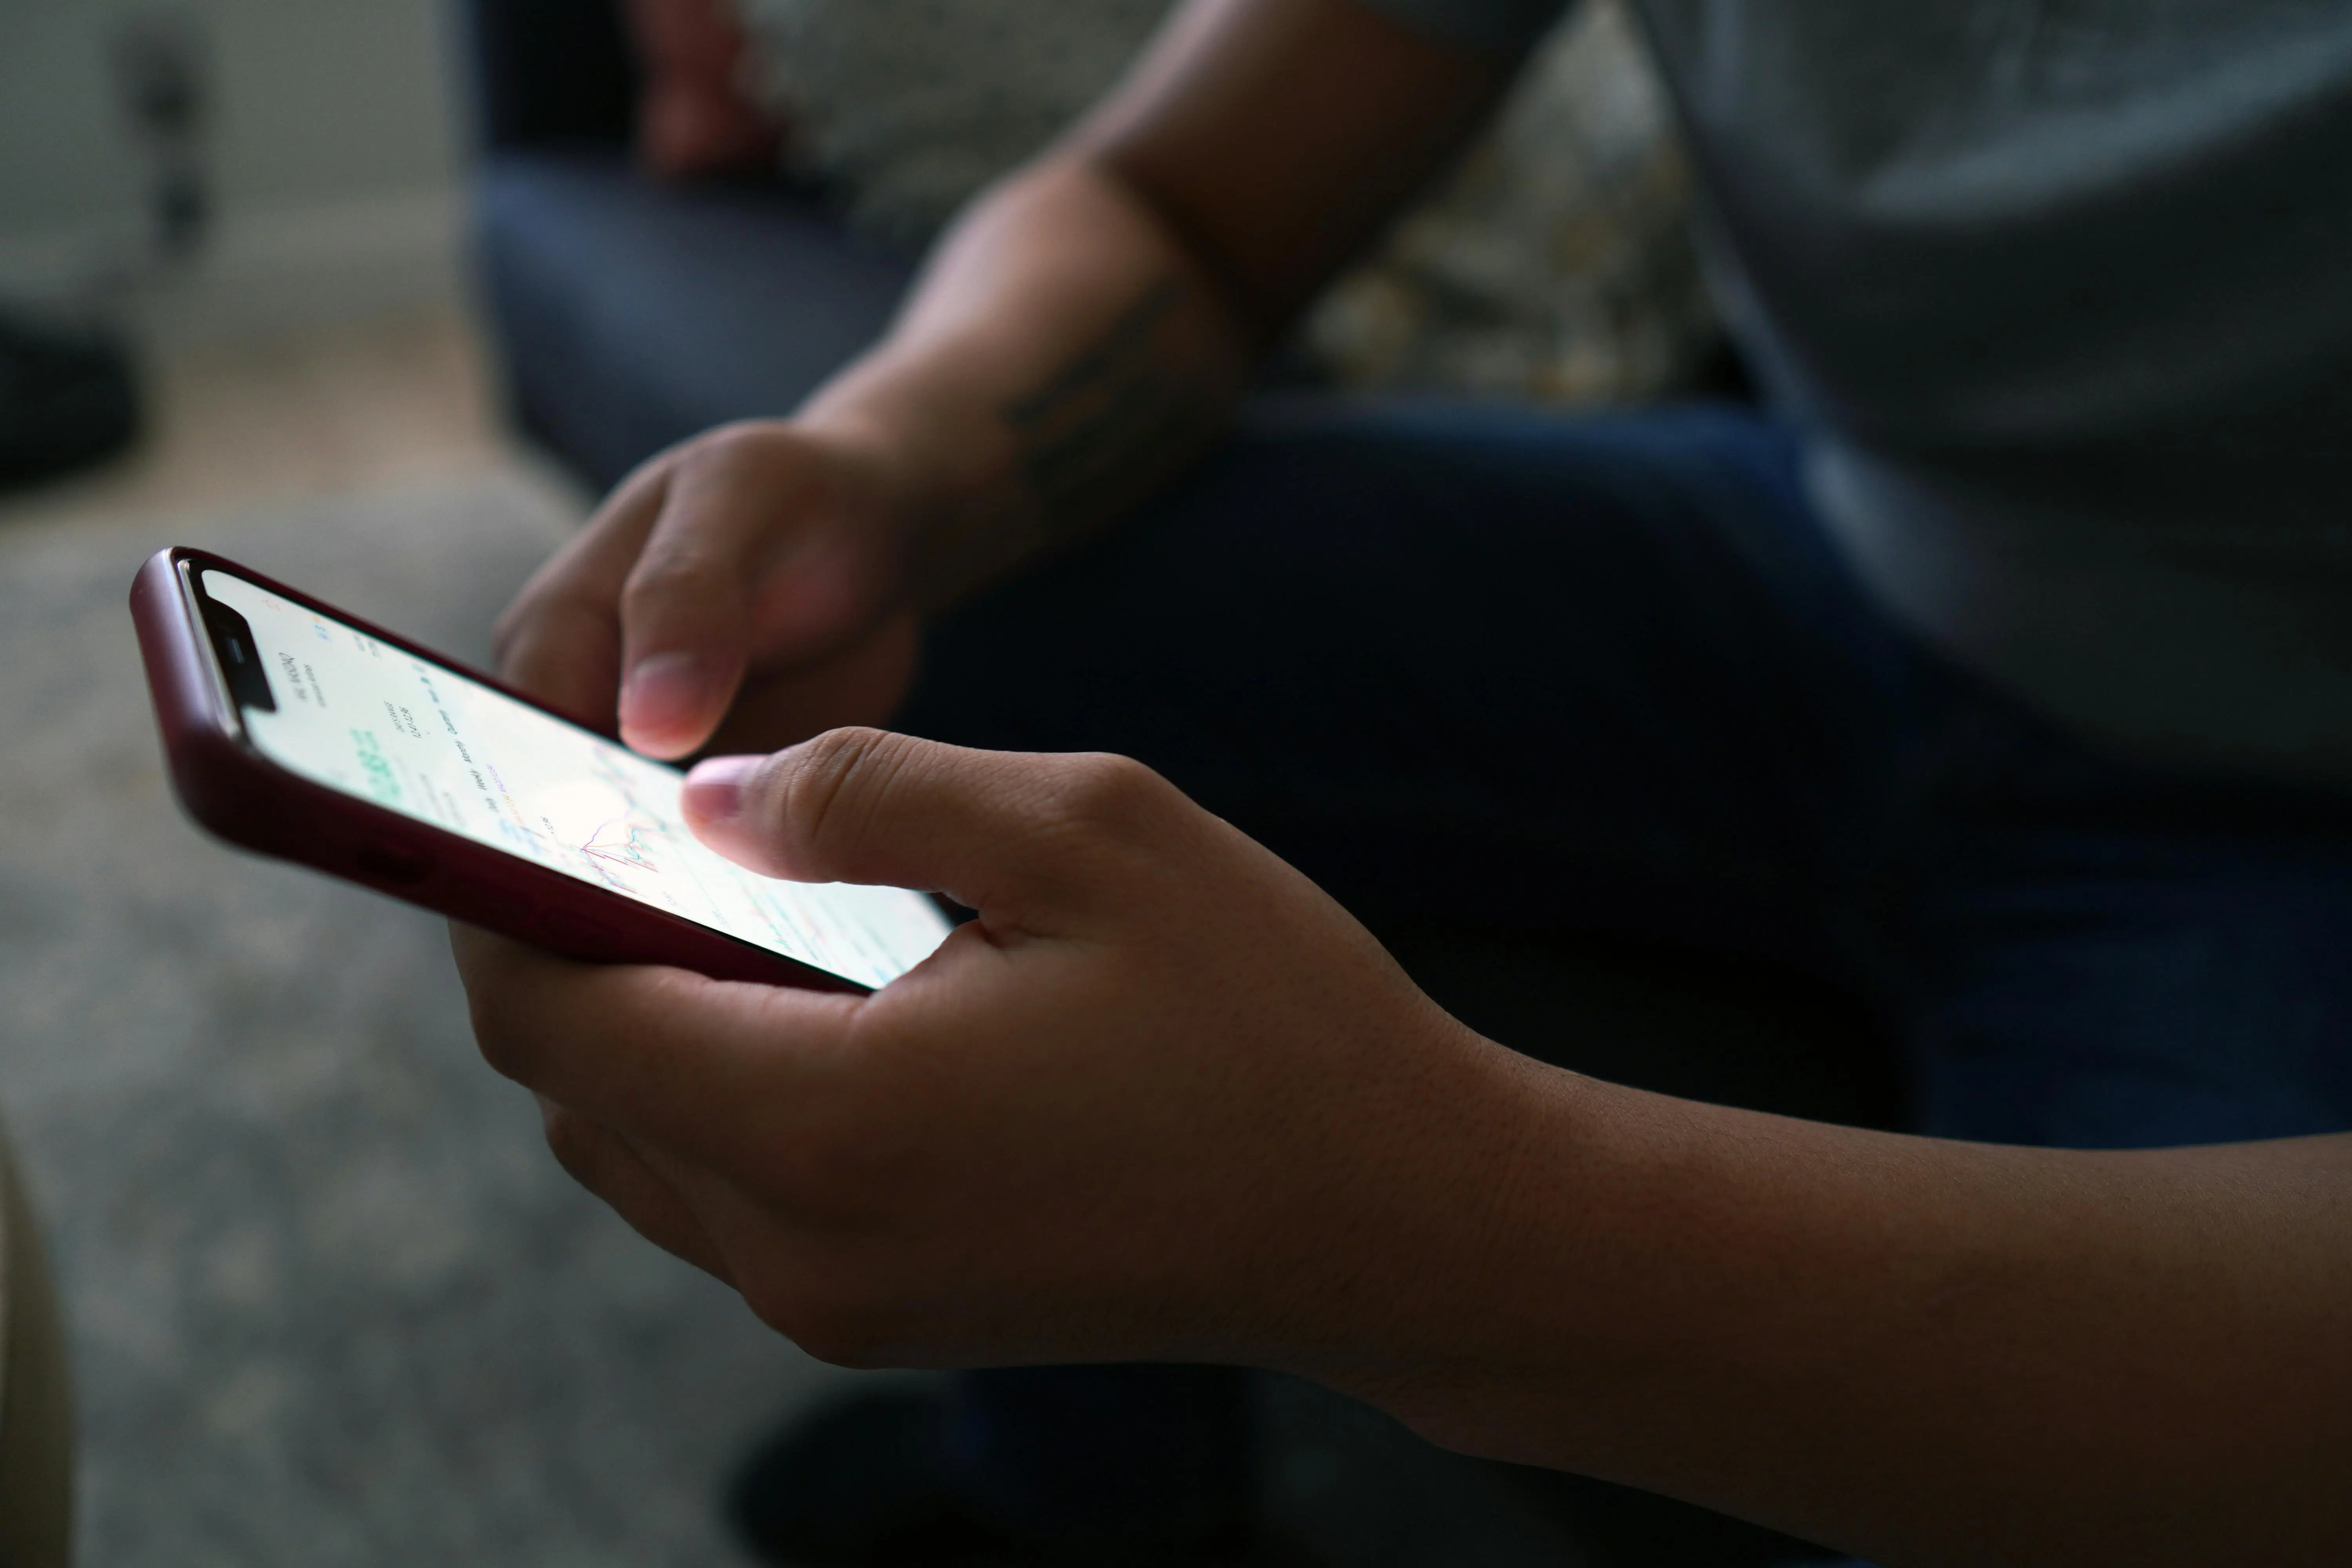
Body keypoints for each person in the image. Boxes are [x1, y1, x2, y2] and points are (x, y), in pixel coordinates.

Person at [452, 1, 2352, 1563]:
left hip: (2283, 788)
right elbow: (1182, 210)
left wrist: (1443, 1241)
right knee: (953, 635)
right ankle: (1084, 1511)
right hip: (1845, 542)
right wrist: (884, 461)